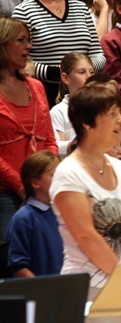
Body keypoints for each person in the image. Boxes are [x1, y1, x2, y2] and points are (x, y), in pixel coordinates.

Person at [50, 84, 121, 323]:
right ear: (86, 123)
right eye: (112, 114)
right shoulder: (68, 173)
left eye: (120, 113)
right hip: (92, 290)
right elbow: (86, 236)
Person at [12, 0, 105, 105]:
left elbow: (98, 54)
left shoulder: (80, 8)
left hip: (84, 94)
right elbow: (21, 60)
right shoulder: (24, 11)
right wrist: (59, 73)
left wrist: (83, 72)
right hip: (45, 95)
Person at [0, 17, 56, 270]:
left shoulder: (36, 86)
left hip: (41, 190)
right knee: (13, 264)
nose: (29, 46)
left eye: (29, 40)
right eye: (21, 41)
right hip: (5, 194)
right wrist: (21, 185)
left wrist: (48, 175)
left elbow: (50, 139)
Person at [6, 150, 62, 277]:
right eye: (54, 175)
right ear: (36, 183)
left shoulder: (63, 214)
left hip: (66, 290)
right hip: (40, 293)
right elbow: (19, 266)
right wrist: (42, 292)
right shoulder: (24, 218)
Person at [50, 52, 94, 156]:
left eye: (91, 72)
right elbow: (57, 147)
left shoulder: (100, 107)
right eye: (82, 72)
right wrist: (80, 144)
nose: (89, 77)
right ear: (66, 78)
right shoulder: (59, 111)